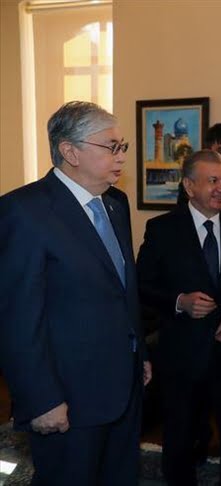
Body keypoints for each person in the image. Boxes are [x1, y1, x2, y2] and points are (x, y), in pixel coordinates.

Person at [0, 101, 151, 485]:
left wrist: (140, 353)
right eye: (111, 147)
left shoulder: (116, 203)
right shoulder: (24, 211)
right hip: (67, 396)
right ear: (70, 151)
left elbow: (123, 289)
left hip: (124, 386)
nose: (121, 157)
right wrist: (42, 399)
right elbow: (17, 319)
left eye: (122, 147)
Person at [136, 149, 221, 485]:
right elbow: (142, 285)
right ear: (189, 187)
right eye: (213, 181)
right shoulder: (162, 229)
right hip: (182, 354)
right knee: (179, 435)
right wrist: (180, 302)